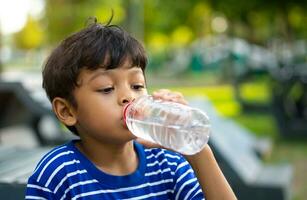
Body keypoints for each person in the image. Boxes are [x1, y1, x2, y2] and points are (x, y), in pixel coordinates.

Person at [25, 18, 237, 200]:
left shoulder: (168, 165)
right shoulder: (59, 172)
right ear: (67, 111)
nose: (129, 97)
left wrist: (200, 153)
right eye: (107, 88)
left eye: (137, 86)